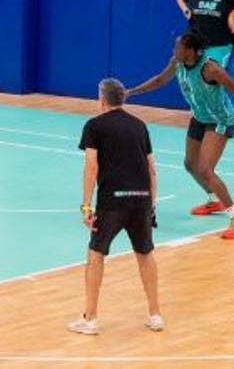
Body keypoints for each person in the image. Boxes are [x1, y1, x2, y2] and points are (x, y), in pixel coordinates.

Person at [127, 30, 234, 240]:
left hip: (219, 120)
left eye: (179, 47)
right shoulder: (177, 63)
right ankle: (214, 200)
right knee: (189, 164)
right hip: (199, 117)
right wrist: (132, 92)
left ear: (191, 50)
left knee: (205, 170)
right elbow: (159, 80)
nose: (174, 50)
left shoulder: (211, 69)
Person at [67, 79, 163, 335]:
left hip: (113, 201)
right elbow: (152, 169)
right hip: (141, 199)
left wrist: (86, 205)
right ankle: (155, 315)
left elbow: (91, 167)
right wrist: (151, 205)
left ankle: (90, 319)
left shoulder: (94, 126)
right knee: (145, 254)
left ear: (102, 99)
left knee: (96, 254)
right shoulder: (140, 126)